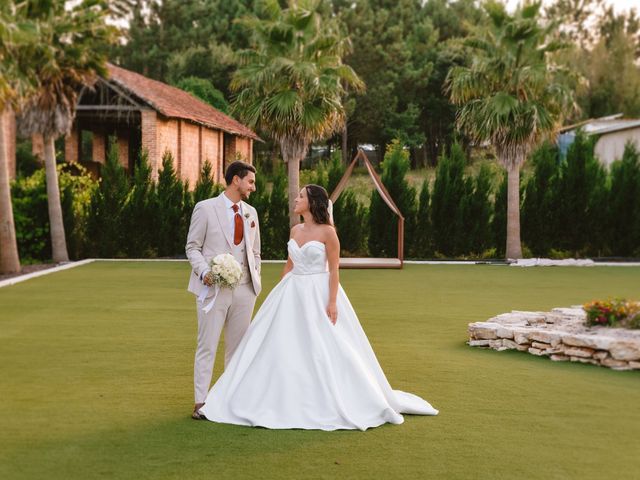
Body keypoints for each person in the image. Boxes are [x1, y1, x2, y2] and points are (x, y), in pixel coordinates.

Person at [199, 184, 438, 430]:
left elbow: (334, 269)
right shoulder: (295, 230)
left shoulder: (328, 233)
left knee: (324, 345)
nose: (296, 199)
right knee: (280, 344)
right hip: (291, 291)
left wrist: (332, 302)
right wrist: (278, 292)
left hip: (318, 291)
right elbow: (290, 264)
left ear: (312, 203)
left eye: (301, 196)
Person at [185, 161, 261, 420]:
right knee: (207, 345)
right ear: (236, 180)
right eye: (250, 181)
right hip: (212, 289)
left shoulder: (251, 213)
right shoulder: (205, 208)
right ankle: (201, 402)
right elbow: (192, 247)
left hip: (245, 290)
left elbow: (256, 252)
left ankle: (231, 401)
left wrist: (255, 277)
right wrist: (205, 272)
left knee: (238, 349)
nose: (253, 186)